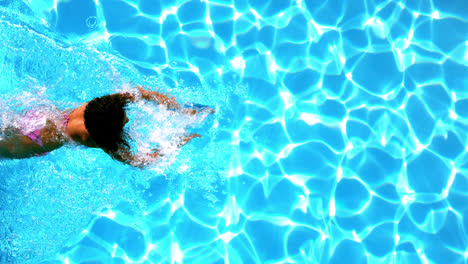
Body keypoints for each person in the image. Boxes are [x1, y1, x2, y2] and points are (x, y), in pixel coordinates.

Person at [0, 87, 211, 167]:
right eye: (122, 121)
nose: (127, 120)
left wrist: (181, 110)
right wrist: (179, 143)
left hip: (36, 118)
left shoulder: (98, 108)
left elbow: (140, 92)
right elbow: (140, 162)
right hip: (32, 143)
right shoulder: (95, 139)